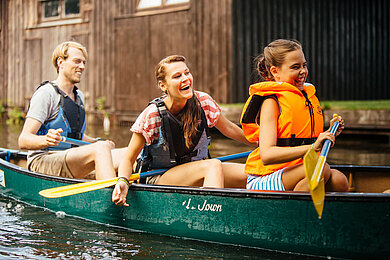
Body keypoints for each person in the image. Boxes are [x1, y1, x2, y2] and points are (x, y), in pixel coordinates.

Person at [112, 55, 256, 206]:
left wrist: (261, 145)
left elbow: (229, 128)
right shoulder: (153, 115)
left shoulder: (203, 102)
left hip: (196, 171)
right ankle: (211, 217)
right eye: (177, 76)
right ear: (163, 86)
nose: (185, 79)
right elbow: (128, 159)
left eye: (187, 73)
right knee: (213, 165)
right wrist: (123, 181)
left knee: (255, 173)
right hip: (159, 178)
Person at [240, 39, 349, 192]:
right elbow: (267, 155)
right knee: (320, 168)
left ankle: (319, 214)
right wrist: (312, 147)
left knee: (339, 180)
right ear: (275, 71)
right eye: (295, 67)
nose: (303, 71)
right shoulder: (271, 102)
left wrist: (330, 133)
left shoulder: (305, 97)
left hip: (294, 171)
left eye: (304, 65)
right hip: (265, 178)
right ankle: (290, 213)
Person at [18, 41, 123, 180]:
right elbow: (23, 140)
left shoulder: (78, 96)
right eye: (77, 61)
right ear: (61, 62)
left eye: (84, 62)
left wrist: (98, 142)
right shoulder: (46, 94)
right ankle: (109, 199)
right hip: (43, 160)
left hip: (71, 157)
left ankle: (124, 190)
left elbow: (76, 136)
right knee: (101, 149)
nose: (82, 66)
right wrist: (46, 140)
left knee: (128, 154)